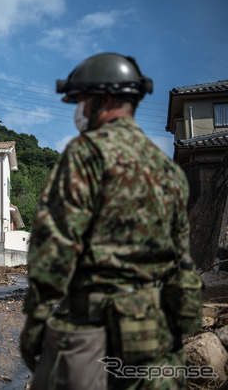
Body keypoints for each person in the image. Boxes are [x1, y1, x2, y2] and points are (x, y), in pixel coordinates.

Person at [20, 53, 202, 389]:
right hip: (157, 334)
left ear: (103, 100)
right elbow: (180, 258)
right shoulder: (168, 171)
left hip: (93, 331)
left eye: (82, 101)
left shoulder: (86, 153)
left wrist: (37, 318)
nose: (79, 110)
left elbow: (54, 244)